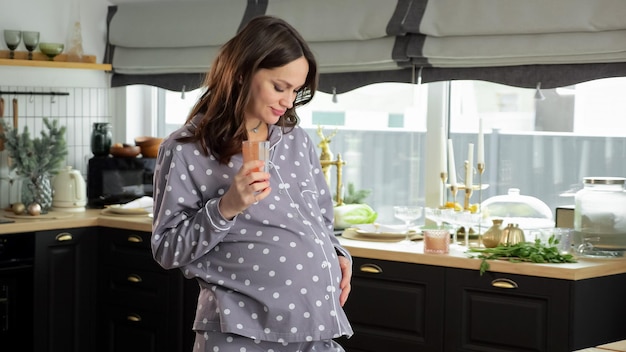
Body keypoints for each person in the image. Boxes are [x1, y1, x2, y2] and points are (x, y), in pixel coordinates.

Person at [151, 15, 354, 351]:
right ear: (242, 73)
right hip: (240, 333)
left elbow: (320, 220)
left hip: (314, 328)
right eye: (279, 87)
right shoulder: (187, 149)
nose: (289, 101)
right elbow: (167, 249)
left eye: (295, 90)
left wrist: (336, 253)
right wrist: (227, 206)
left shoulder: (295, 139)